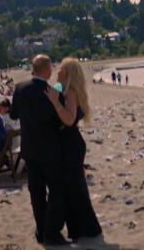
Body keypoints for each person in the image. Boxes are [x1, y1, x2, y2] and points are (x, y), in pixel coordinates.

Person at [11, 55, 70, 245]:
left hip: (29, 148)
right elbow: (60, 119)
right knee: (56, 191)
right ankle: (52, 232)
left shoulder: (20, 89)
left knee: (36, 192)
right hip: (50, 148)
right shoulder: (51, 92)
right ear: (47, 70)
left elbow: (13, 114)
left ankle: (41, 229)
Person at [44, 58, 102, 241]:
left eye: (61, 69)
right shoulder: (64, 89)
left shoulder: (71, 92)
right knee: (73, 186)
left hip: (70, 144)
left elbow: (69, 120)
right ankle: (80, 228)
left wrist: (55, 102)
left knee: (74, 187)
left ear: (68, 73)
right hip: (69, 143)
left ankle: (85, 228)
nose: (57, 71)